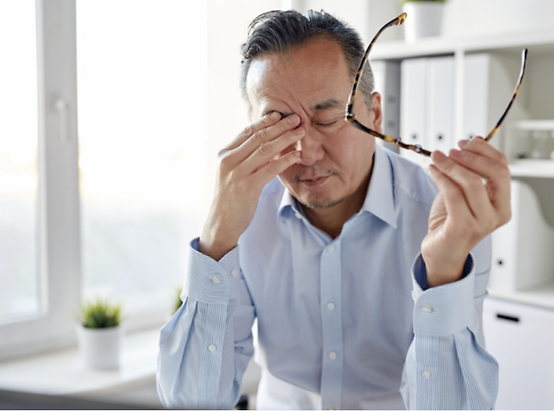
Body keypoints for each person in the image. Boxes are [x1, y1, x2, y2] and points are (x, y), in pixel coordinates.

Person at [157, 9, 509, 410]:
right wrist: (217, 242)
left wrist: (442, 273)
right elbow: (192, 402)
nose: (306, 153)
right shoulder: (241, 215)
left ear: (375, 114)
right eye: (278, 126)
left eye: (327, 118)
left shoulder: (449, 221)